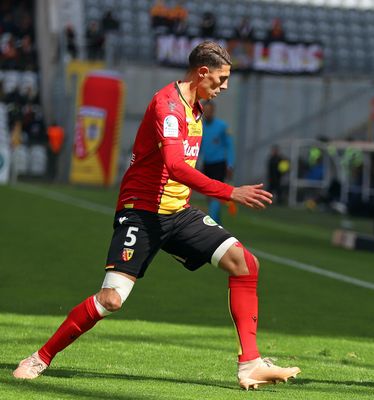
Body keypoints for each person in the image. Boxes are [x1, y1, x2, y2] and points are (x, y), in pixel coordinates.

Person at [12, 41, 300, 390]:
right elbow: (175, 166)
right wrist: (229, 191)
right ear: (202, 72)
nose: (224, 86)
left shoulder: (196, 106)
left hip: (178, 212)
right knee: (111, 299)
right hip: (142, 213)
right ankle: (39, 358)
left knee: (245, 263)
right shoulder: (167, 106)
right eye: (221, 79)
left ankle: (250, 364)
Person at [199, 101, 234, 225]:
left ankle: (212, 224)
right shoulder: (199, 126)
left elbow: (229, 146)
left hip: (219, 164)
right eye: (205, 110)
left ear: (213, 111)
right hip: (207, 165)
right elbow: (198, 147)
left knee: (216, 195)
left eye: (210, 110)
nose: (207, 113)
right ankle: (217, 225)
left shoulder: (222, 126)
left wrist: (230, 164)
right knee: (209, 196)